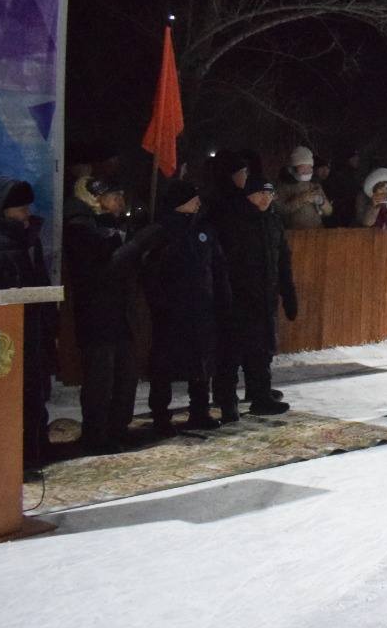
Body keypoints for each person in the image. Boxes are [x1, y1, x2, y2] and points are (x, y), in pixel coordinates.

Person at [64, 176, 158, 452]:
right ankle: (96, 435)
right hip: (97, 314)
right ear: (96, 198)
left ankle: (118, 428)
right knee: (100, 381)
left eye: (121, 195)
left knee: (126, 376)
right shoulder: (80, 226)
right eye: (113, 195)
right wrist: (136, 244)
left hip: (121, 311)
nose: (120, 201)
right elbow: (105, 268)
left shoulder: (113, 226)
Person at [0, 177, 59, 466]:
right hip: (3, 340)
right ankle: (15, 460)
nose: (27, 214)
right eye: (20, 209)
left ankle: (35, 451)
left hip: (29, 333)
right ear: (2, 211)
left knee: (33, 397)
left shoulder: (26, 242)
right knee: (12, 400)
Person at [142, 179, 230, 432]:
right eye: (193, 199)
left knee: (201, 361)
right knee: (164, 364)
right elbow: (150, 272)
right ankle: (160, 416)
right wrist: (159, 302)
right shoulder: (161, 231)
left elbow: (218, 266)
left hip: (202, 306)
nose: (198, 202)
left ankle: (199, 411)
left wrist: (222, 298)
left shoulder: (204, 229)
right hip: (171, 309)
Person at [213, 177, 296, 419]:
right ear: (248, 195)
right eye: (260, 193)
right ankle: (226, 398)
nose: (266, 199)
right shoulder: (233, 221)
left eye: (270, 194)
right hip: (238, 298)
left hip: (265, 297)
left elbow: (283, 261)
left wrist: (288, 292)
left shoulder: (272, 221)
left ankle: (261, 396)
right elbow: (224, 263)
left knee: (262, 349)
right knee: (232, 352)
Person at [275, 146, 333, 230]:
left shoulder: (314, 184)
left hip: (317, 230)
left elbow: (329, 212)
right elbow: (279, 210)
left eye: (309, 167)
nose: (307, 171)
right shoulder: (283, 185)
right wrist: (302, 199)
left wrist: (321, 201)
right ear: (293, 168)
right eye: (303, 168)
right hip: (295, 232)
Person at [324, 151, 366, 228]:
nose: (357, 159)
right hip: (342, 212)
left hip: (350, 210)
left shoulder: (354, 174)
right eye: (354, 157)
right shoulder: (341, 174)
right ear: (349, 159)